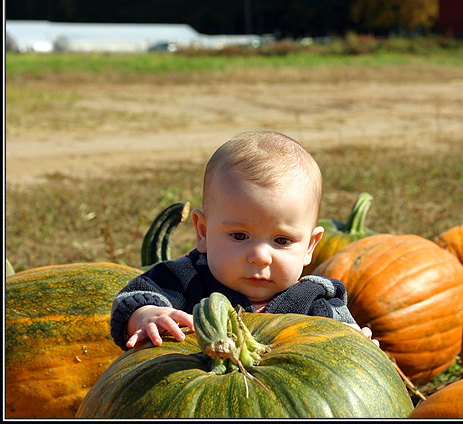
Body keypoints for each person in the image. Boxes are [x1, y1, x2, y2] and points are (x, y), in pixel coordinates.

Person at [110, 129, 378, 350]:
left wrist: (355, 343)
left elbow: (344, 346)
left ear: (309, 246)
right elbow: (132, 298)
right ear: (202, 232)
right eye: (240, 236)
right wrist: (146, 316)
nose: (260, 256)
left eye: (282, 241)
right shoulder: (186, 280)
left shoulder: (315, 301)